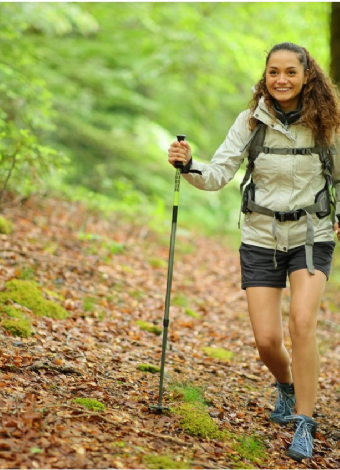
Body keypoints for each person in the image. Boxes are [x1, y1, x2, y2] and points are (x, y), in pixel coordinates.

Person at [167, 42, 340, 462]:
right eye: (273, 72)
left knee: (302, 322)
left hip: (311, 235)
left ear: (307, 76)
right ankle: (285, 385)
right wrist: (189, 165)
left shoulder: (328, 124)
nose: (281, 80)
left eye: (290, 72)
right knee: (266, 341)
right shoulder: (250, 121)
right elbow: (219, 172)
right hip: (261, 237)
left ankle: (304, 422)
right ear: (265, 75)